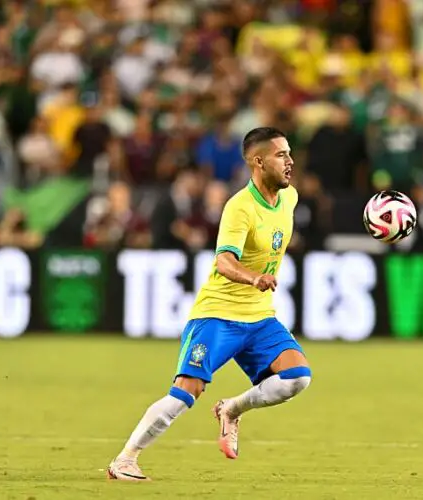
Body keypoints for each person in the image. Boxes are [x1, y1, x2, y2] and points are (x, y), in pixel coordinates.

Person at [107, 127, 312, 481]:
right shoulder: (240, 207)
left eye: (289, 153)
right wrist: (254, 277)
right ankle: (125, 459)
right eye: (281, 155)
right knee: (186, 393)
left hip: (259, 317)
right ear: (258, 161)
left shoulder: (289, 198)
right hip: (218, 315)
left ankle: (231, 409)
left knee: (297, 378)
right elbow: (224, 262)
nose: (290, 161)